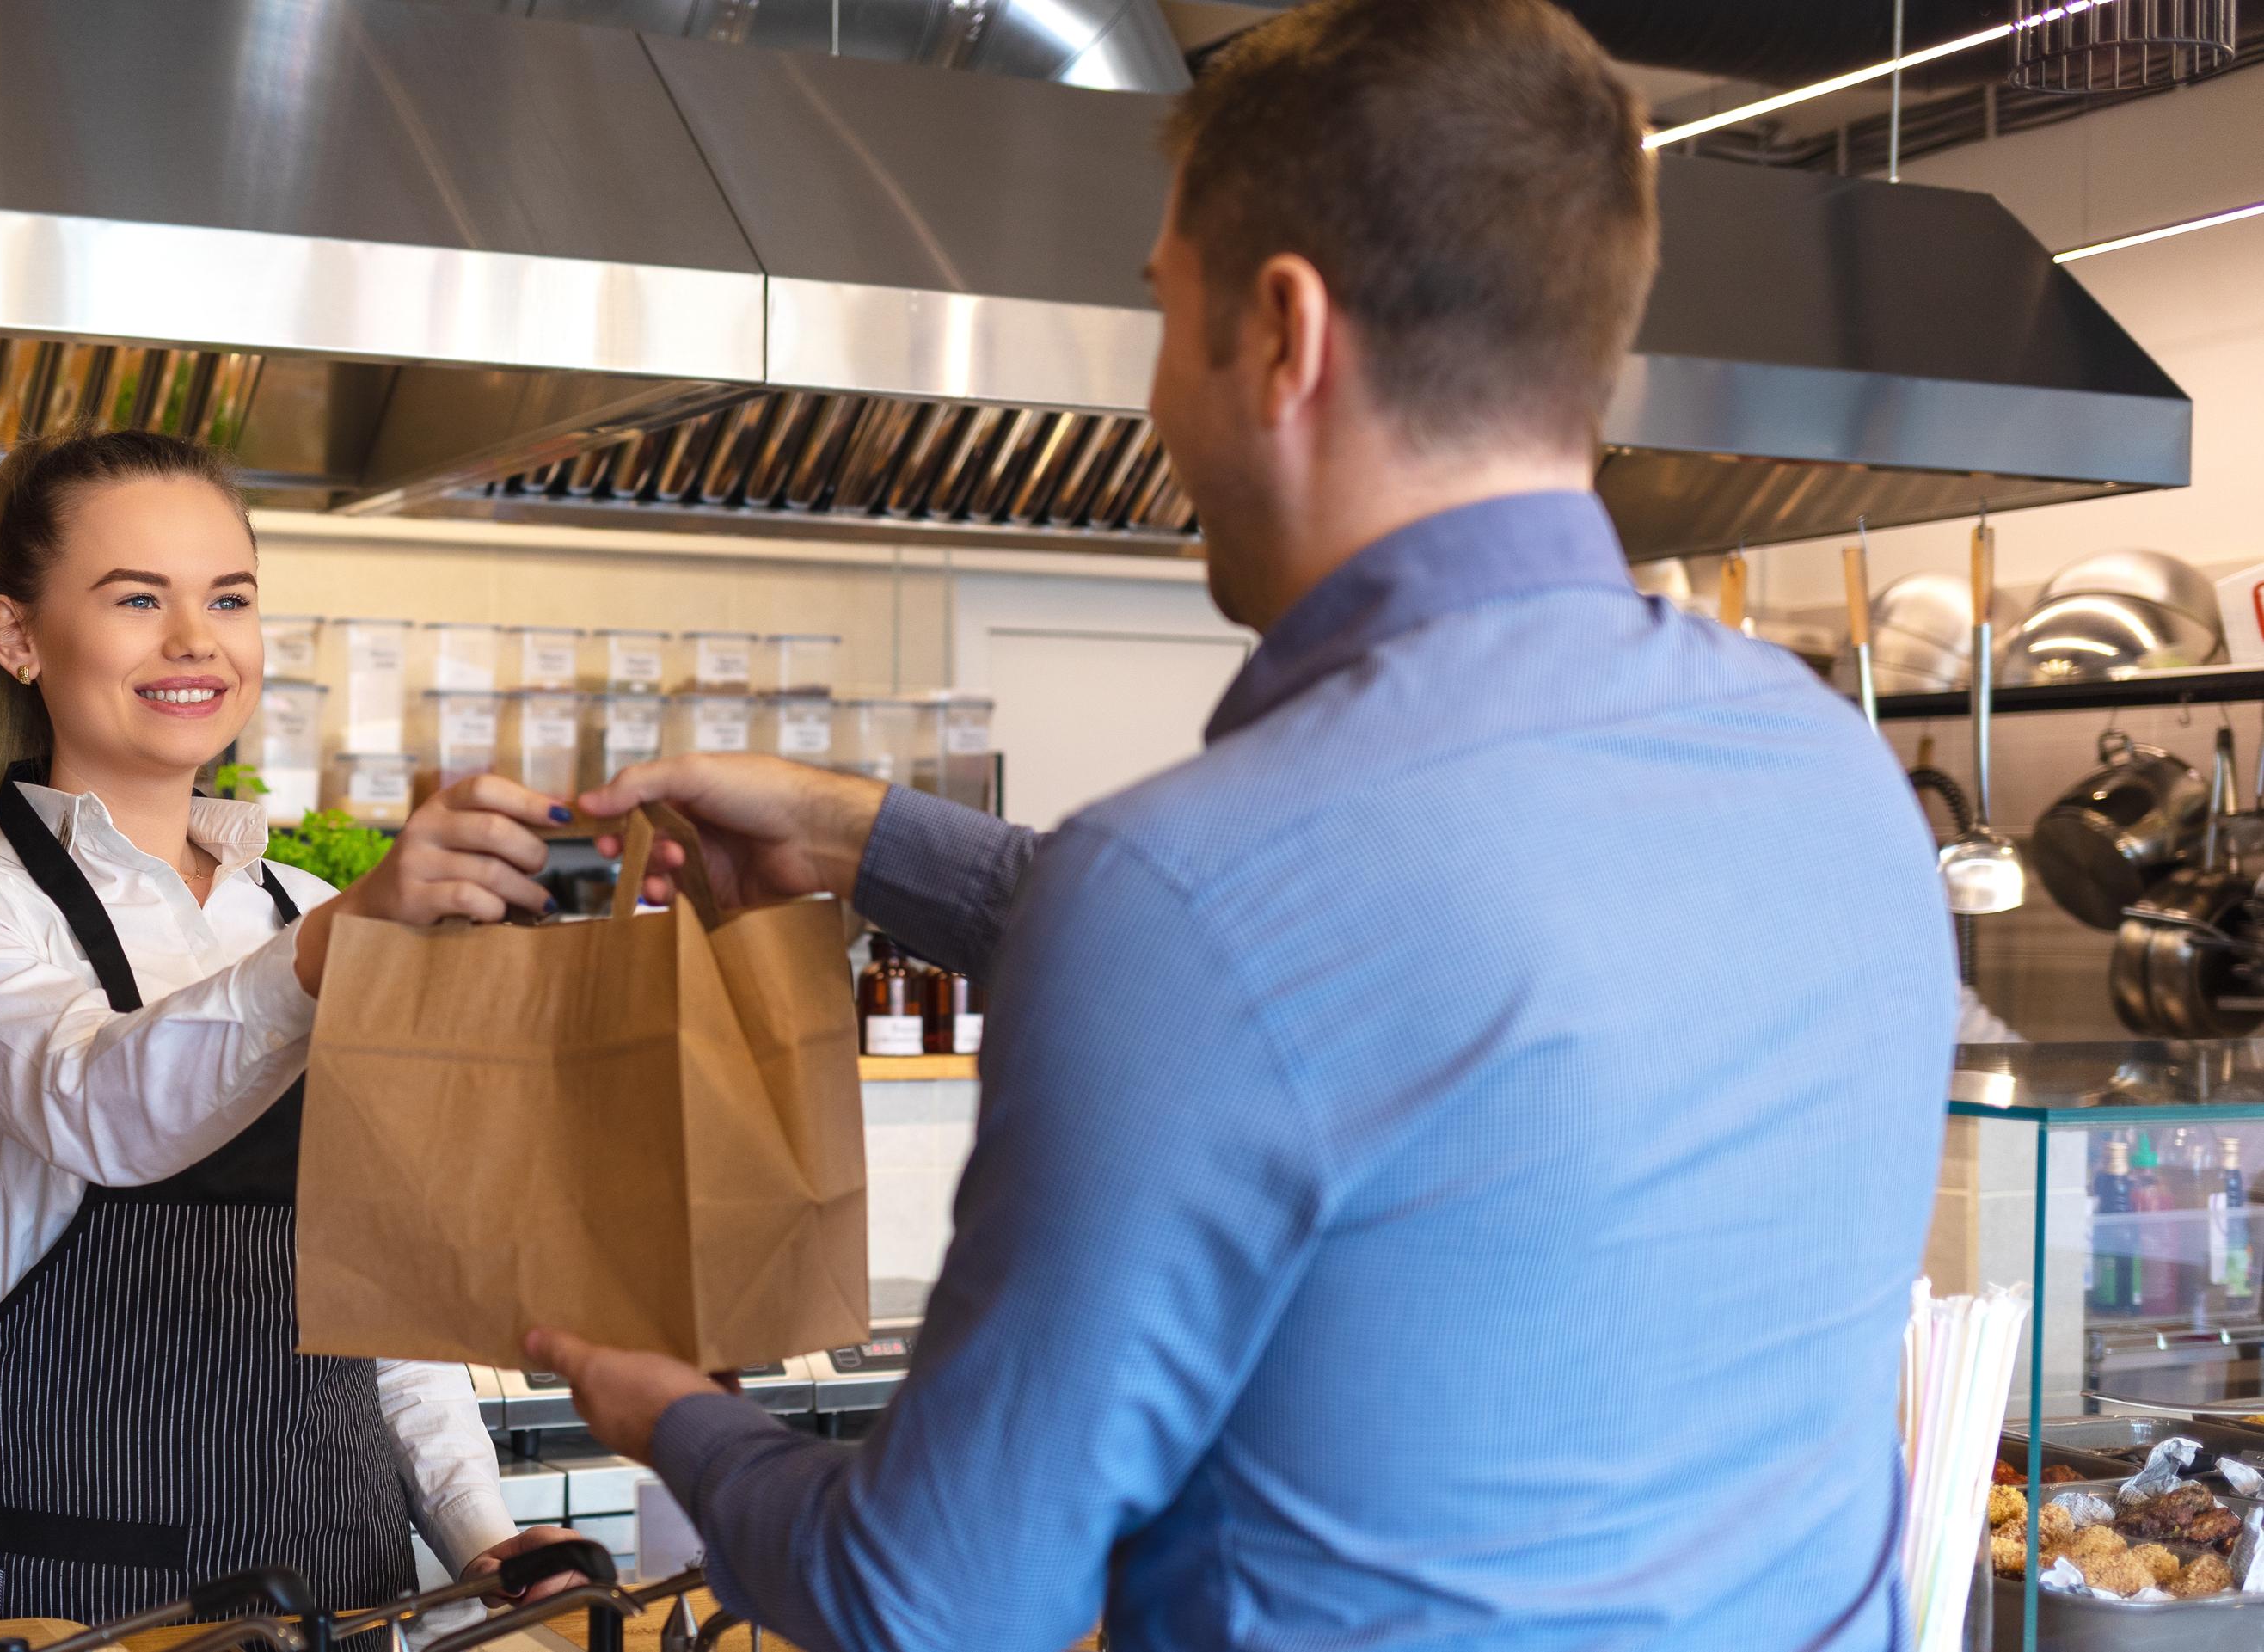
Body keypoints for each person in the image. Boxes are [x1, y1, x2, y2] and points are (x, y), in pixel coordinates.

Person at [531, 1, 1956, 1646]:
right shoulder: (1829, 767)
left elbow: (927, 1600)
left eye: (1160, 313)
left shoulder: (1193, 891)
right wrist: (866, 838)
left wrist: (665, 1412)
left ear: (1282, 332)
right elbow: (1347, 995)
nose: (1152, 408)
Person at [0, 427, 588, 1631]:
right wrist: (340, 948)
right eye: (137, 597)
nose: (196, 640)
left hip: (347, 1585)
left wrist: (484, 1529)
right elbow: (102, 1103)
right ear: (18, 636)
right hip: (80, 1596)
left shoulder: (301, 909)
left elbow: (386, 1300)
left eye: (229, 597)